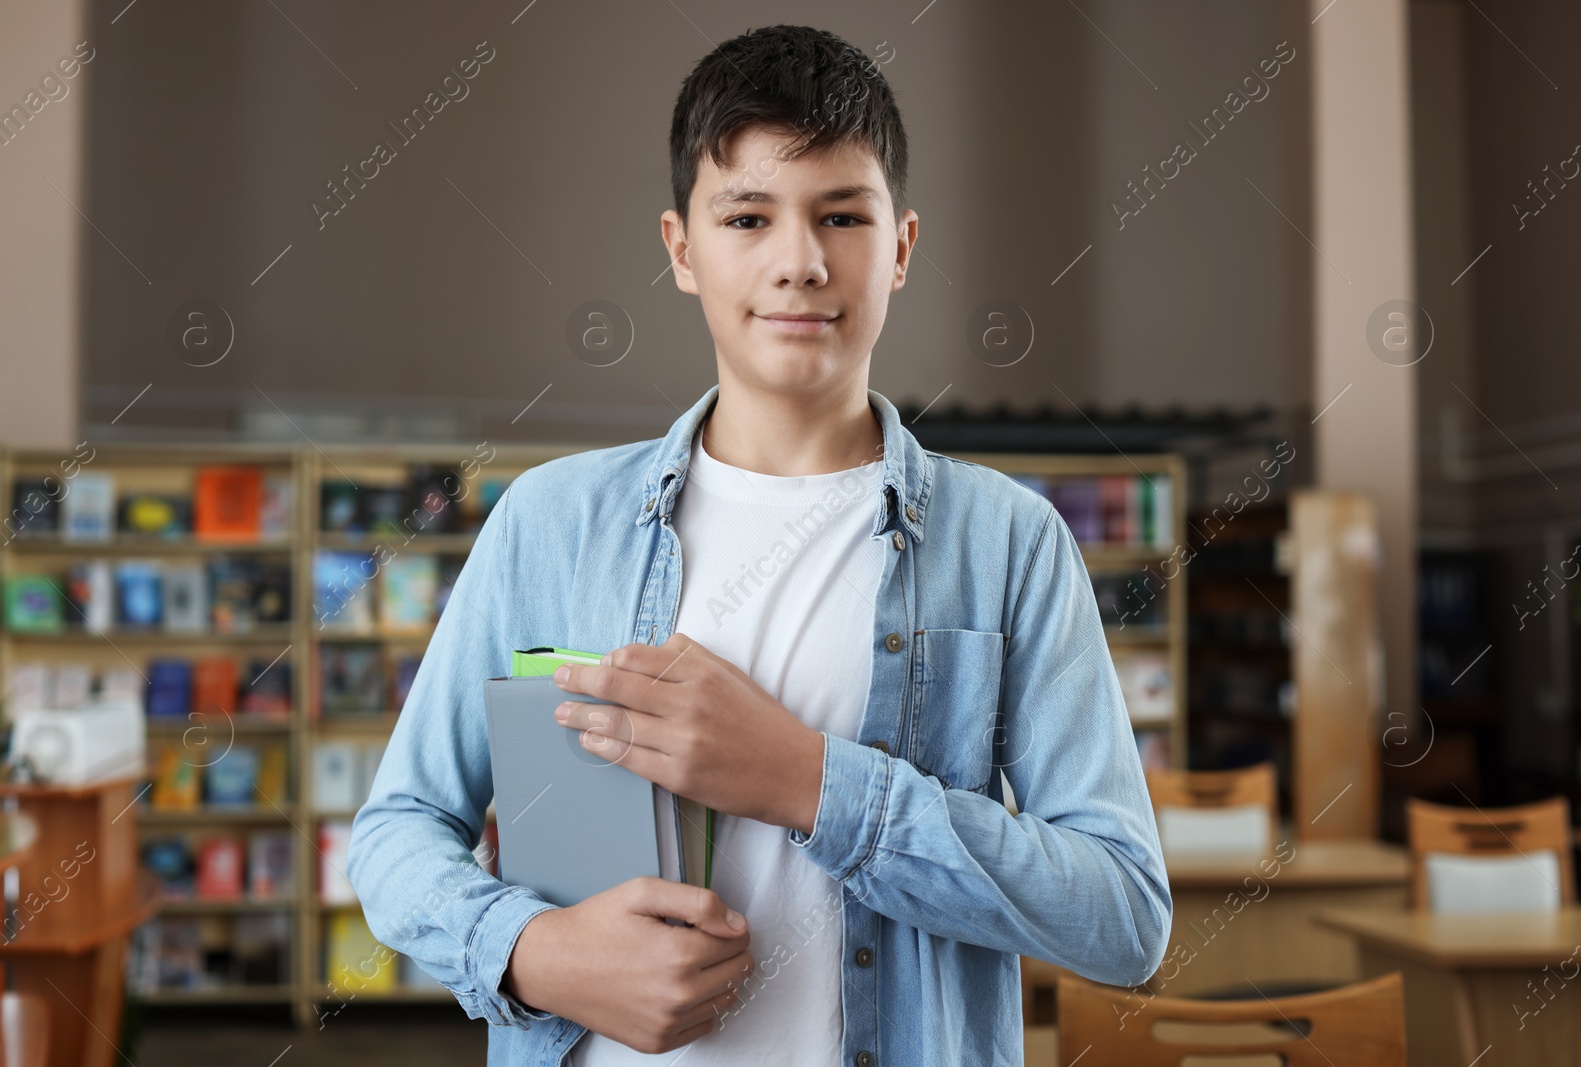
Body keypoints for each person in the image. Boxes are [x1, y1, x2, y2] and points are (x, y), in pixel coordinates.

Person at [347, 23, 1171, 1066]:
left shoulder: (1010, 543)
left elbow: (1124, 916)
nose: (799, 261)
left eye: (842, 215)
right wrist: (535, 951)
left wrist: (809, 781)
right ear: (681, 250)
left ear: (902, 247)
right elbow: (397, 830)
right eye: (747, 216)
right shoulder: (547, 524)